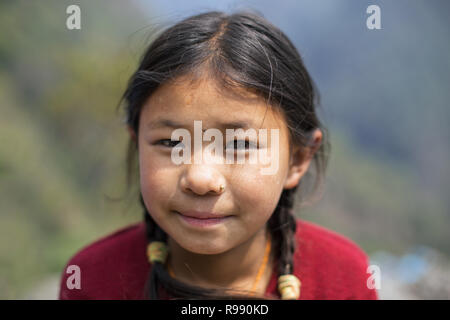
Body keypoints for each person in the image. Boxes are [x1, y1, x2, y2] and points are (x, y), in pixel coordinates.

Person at [59, 10, 378, 300]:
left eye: (239, 145)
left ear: (296, 160)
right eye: (171, 143)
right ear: (137, 143)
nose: (200, 178)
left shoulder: (343, 280)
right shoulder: (93, 281)